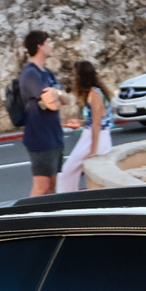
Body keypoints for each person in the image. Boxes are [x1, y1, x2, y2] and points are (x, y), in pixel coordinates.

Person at [16, 31, 66, 196]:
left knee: (51, 187)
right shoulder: (31, 74)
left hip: (54, 137)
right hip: (40, 138)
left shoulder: (47, 73)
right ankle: (26, 219)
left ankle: (48, 219)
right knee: (41, 187)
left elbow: (66, 99)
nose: (52, 45)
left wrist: (56, 94)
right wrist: (56, 95)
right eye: (49, 41)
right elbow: (53, 106)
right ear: (40, 46)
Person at [56, 61, 114, 192]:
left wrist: (93, 150)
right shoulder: (93, 93)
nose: (73, 78)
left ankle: (66, 199)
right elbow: (94, 119)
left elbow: (97, 124)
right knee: (71, 172)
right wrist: (80, 123)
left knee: (66, 173)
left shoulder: (95, 94)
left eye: (75, 75)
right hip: (91, 136)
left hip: (93, 139)